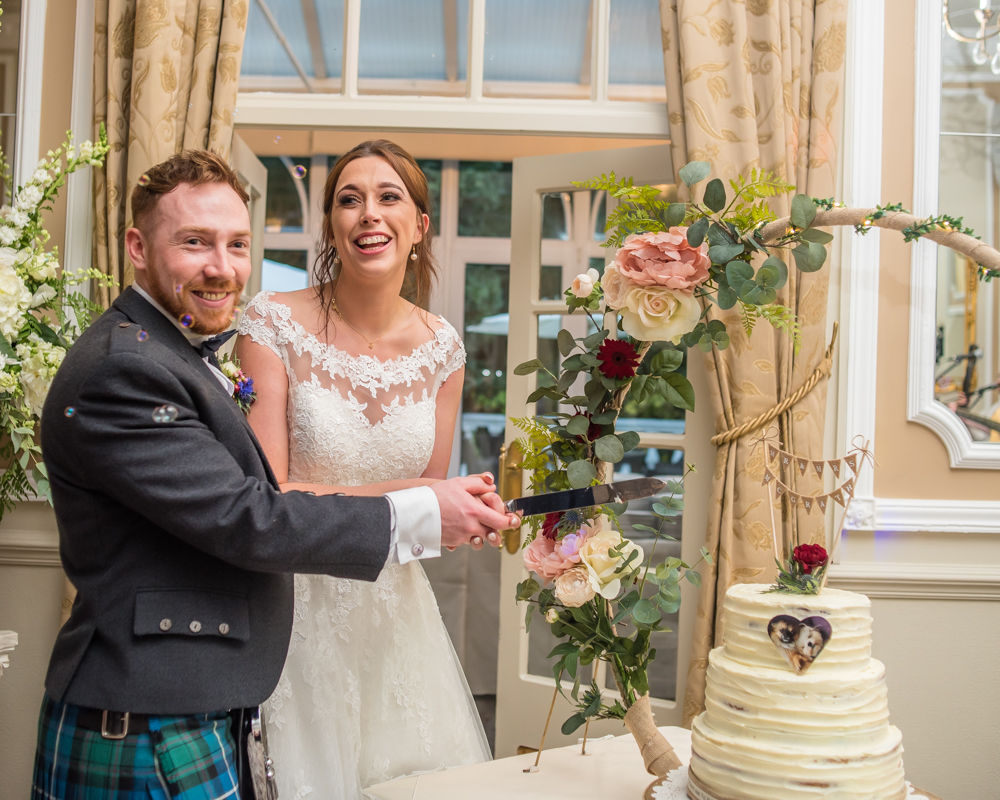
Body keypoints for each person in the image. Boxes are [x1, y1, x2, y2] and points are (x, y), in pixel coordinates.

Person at [31, 149, 519, 800]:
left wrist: (451, 512)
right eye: (195, 242)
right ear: (137, 248)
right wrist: (423, 507)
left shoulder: (170, 350)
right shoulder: (128, 367)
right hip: (144, 717)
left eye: (236, 244)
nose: (221, 267)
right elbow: (250, 514)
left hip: (203, 689)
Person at [233, 139, 490, 798]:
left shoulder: (443, 349)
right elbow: (266, 497)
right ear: (332, 226)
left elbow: (429, 520)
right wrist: (427, 497)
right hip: (293, 612)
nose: (367, 214)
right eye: (349, 200)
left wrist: (469, 514)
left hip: (396, 620)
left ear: (419, 227)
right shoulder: (272, 323)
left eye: (388, 197)